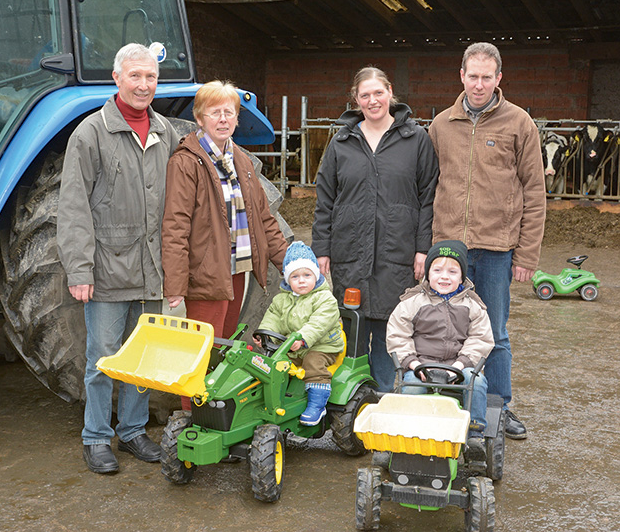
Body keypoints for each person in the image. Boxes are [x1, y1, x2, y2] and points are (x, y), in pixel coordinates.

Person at [57, 43, 180, 474]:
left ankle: (132, 430)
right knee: (103, 359)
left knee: (143, 360)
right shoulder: (91, 133)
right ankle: (96, 437)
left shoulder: (167, 131)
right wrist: (79, 268)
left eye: (151, 77)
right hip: (108, 268)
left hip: (152, 268)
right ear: (117, 79)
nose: (144, 84)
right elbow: (72, 206)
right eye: (135, 76)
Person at [428, 42, 546, 439]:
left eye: (486, 77)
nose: (478, 84)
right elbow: (428, 188)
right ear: (461, 76)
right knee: (443, 326)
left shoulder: (519, 123)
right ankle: (451, 401)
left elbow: (535, 190)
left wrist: (526, 252)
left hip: (496, 248)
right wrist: (424, 249)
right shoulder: (442, 124)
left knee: (493, 332)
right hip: (448, 252)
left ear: (499, 78)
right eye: (472, 76)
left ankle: (497, 407)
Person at [311, 66, 438, 393]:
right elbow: (324, 199)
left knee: (389, 330)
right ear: (356, 99)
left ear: (390, 92)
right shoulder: (341, 143)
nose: (372, 100)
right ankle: (352, 400)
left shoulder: (416, 140)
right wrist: (321, 249)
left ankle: (382, 396)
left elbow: (428, 198)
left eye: (378, 93)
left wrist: (424, 248)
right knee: (351, 327)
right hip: (349, 249)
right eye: (364, 95)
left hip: (397, 250)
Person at [162, 80, 287, 341]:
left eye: (229, 112)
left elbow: (264, 219)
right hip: (206, 276)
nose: (223, 119)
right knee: (203, 350)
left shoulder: (241, 161)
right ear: (199, 118)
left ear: (237, 118)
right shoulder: (185, 162)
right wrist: (175, 284)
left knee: (226, 349)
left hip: (236, 271)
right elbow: (176, 225)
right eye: (214, 112)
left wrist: (291, 265)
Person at [386, 240, 494, 461]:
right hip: (422, 365)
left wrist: (460, 364)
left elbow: (481, 339)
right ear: (427, 273)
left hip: (459, 365)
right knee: (411, 387)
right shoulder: (412, 301)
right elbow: (398, 334)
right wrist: (413, 364)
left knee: (478, 383)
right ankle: (406, 434)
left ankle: (474, 434)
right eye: (437, 270)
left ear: (462, 276)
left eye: (452, 271)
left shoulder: (473, 305)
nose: (444, 276)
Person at [254, 242, 345, 426]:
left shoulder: (325, 298)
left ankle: (316, 405)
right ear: (288, 280)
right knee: (270, 364)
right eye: (295, 276)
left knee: (313, 363)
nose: (301, 280)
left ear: (316, 275)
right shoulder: (281, 299)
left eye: (306, 275)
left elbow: (318, 324)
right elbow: (272, 319)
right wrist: (265, 336)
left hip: (322, 345)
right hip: (292, 345)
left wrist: (302, 338)